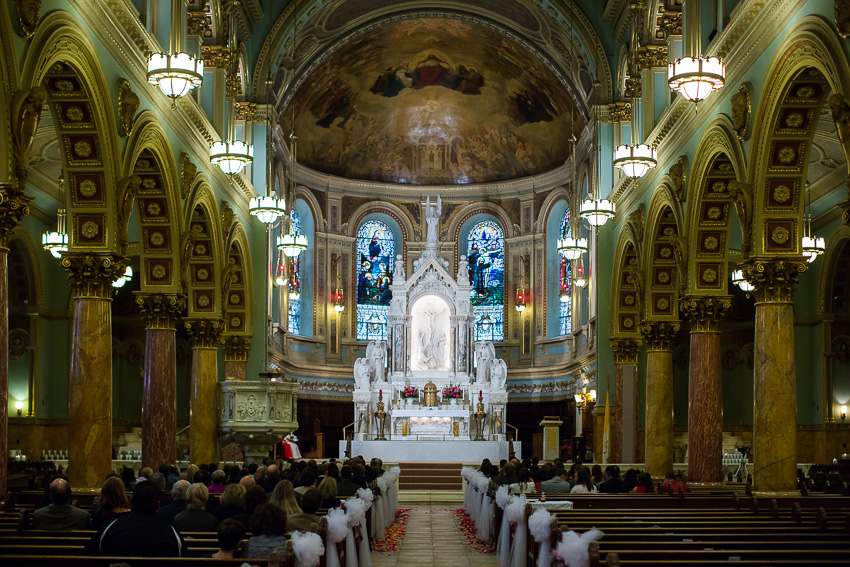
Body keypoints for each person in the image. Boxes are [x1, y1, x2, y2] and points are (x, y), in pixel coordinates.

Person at [88, 480, 183, 557]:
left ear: (132, 502)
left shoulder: (111, 528)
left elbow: (89, 554)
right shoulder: (171, 531)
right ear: (158, 505)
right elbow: (184, 558)